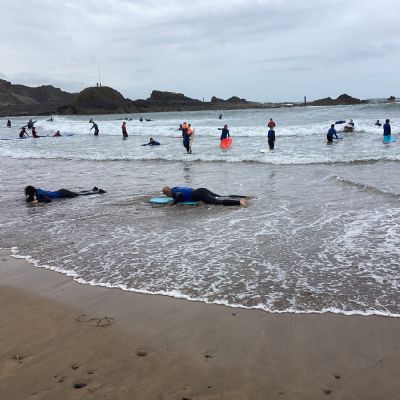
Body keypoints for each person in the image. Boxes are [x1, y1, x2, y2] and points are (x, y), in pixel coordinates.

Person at [162, 186, 247, 207]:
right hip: (201, 190)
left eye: (166, 195)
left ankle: (239, 202)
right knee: (221, 196)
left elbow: (179, 196)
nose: (167, 196)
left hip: (199, 194)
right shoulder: (175, 188)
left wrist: (172, 204)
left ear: (167, 193)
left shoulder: (174, 193)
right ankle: (244, 197)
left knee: (218, 202)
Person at [25, 186, 106, 204]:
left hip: (62, 193)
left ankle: (98, 192)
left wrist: (38, 201)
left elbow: (48, 200)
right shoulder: (38, 191)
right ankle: (93, 190)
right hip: (61, 192)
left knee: (79, 195)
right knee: (78, 193)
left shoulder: (40, 194)